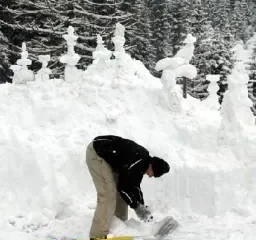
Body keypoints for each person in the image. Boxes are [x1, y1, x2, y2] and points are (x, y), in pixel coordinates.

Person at [86, 135, 170, 240]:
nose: (150, 176)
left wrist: (142, 206)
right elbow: (123, 188)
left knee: (122, 197)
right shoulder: (138, 161)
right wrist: (136, 207)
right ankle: (97, 235)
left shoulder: (142, 164)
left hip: (109, 159)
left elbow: (134, 186)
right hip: (97, 154)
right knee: (108, 196)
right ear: (153, 167)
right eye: (153, 174)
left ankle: (118, 228)